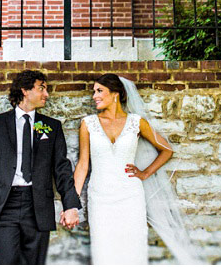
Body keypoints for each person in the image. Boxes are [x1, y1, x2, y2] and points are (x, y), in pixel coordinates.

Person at [71, 73, 203, 265]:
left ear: (115, 94)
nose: (94, 96)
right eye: (94, 92)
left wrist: (145, 173)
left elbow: (166, 150)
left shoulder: (136, 122)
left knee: (133, 250)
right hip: (100, 198)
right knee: (103, 252)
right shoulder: (88, 124)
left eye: (99, 91)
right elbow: (83, 165)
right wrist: (71, 203)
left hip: (130, 197)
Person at [0, 69, 82, 264]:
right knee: (8, 261)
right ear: (25, 90)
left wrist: (71, 205)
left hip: (37, 205)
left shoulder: (52, 126)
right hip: (2, 206)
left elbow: (62, 170)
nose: (46, 94)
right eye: (41, 88)